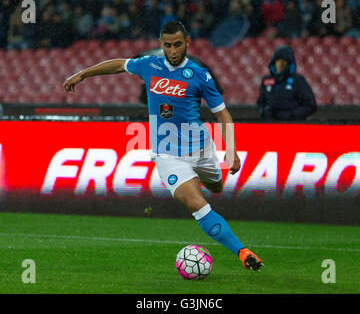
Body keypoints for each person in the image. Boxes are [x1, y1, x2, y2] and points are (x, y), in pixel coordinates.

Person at [63, 20, 263, 271]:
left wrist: (230, 150)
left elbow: (223, 114)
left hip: (201, 149)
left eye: (178, 44)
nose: (173, 50)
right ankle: (242, 252)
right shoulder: (150, 65)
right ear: (161, 44)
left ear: (187, 42)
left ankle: (206, 179)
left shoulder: (200, 75)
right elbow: (119, 64)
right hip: (167, 153)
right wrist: (83, 73)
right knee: (195, 202)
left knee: (217, 186)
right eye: (167, 45)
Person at [257, 45, 317, 120]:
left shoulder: (298, 80)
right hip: (270, 124)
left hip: (294, 126)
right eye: (278, 60)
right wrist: (264, 112)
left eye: (284, 61)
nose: (281, 64)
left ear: (289, 63)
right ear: (274, 61)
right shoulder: (266, 80)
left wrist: (291, 115)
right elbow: (260, 103)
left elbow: (311, 105)